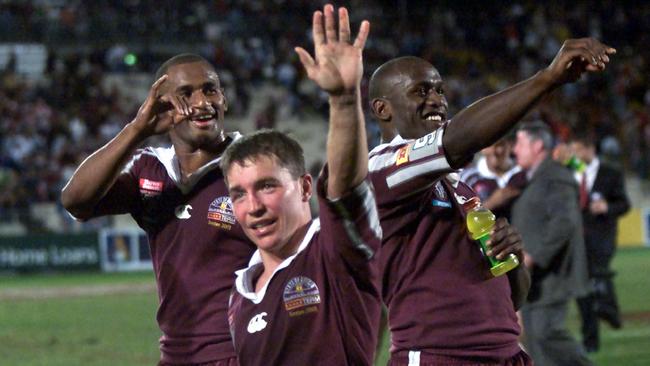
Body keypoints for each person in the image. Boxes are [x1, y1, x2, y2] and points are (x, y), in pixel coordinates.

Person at [367, 36, 614, 365]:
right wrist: (547, 78)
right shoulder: (381, 169)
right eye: (421, 91)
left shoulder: (459, 187)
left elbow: (514, 298)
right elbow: (457, 140)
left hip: (506, 355)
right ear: (382, 108)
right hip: (440, 357)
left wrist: (511, 257)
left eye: (439, 90)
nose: (437, 100)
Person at [60, 54, 256, 365]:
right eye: (185, 94)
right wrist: (137, 129)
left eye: (210, 89)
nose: (202, 102)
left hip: (242, 352)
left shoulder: (255, 165)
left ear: (225, 99)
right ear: (162, 106)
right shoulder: (149, 169)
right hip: (175, 354)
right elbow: (76, 201)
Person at [224, 5, 381, 365]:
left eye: (267, 186)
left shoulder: (334, 251)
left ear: (306, 188)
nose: (253, 206)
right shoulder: (240, 291)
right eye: (239, 194)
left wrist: (343, 101)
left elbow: (347, 189)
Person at [512, 121, 592, 365]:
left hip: (551, 276)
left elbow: (564, 222)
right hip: (537, 280)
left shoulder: (555, 175)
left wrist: (533, 255)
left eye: (519, 143)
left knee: (547, 335)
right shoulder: (536, 177)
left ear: (537, 146)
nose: (515, 150)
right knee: (536, 342)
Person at [570, 131, 630, 352]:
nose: (574, 155)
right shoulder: (571, 172)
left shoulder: (610, 173)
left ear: (589, 149)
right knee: (582, 289)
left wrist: (607, 207)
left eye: (577, 150)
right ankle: (591, 340)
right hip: (576, 238)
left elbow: (624, 204)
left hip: (601, 236)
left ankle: (608, 308)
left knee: (597, 272)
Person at [461, 134, 527, 220]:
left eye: (499, 145)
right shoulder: (468, 179)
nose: (493, 151)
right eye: (488, 145)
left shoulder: (524, 174)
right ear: (482, 149)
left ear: (510, 146)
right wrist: (492, 203)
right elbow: (462, 218)